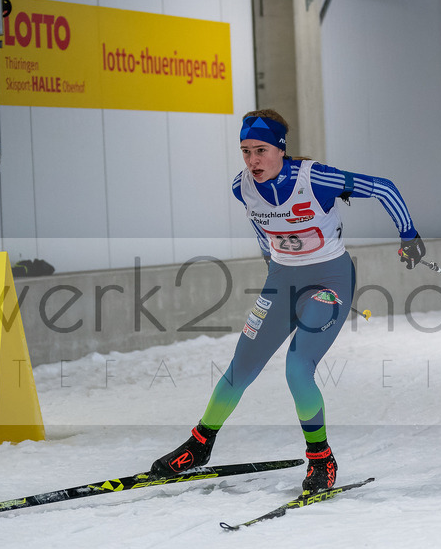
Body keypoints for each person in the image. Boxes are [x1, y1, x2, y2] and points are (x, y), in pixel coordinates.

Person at [150, 109, 426, 493]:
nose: (252, 161)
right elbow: (262, 228)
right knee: (240, 365)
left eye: (260, 150)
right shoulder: (241, 186)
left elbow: (384, 188)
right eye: (245, 151)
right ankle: (200, 444)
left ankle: (321, 458)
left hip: (329, 281)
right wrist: (273, 267)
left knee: (297, 368)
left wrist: (408, 236)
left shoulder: (314, 178)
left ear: (280, 149)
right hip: (281, 282)